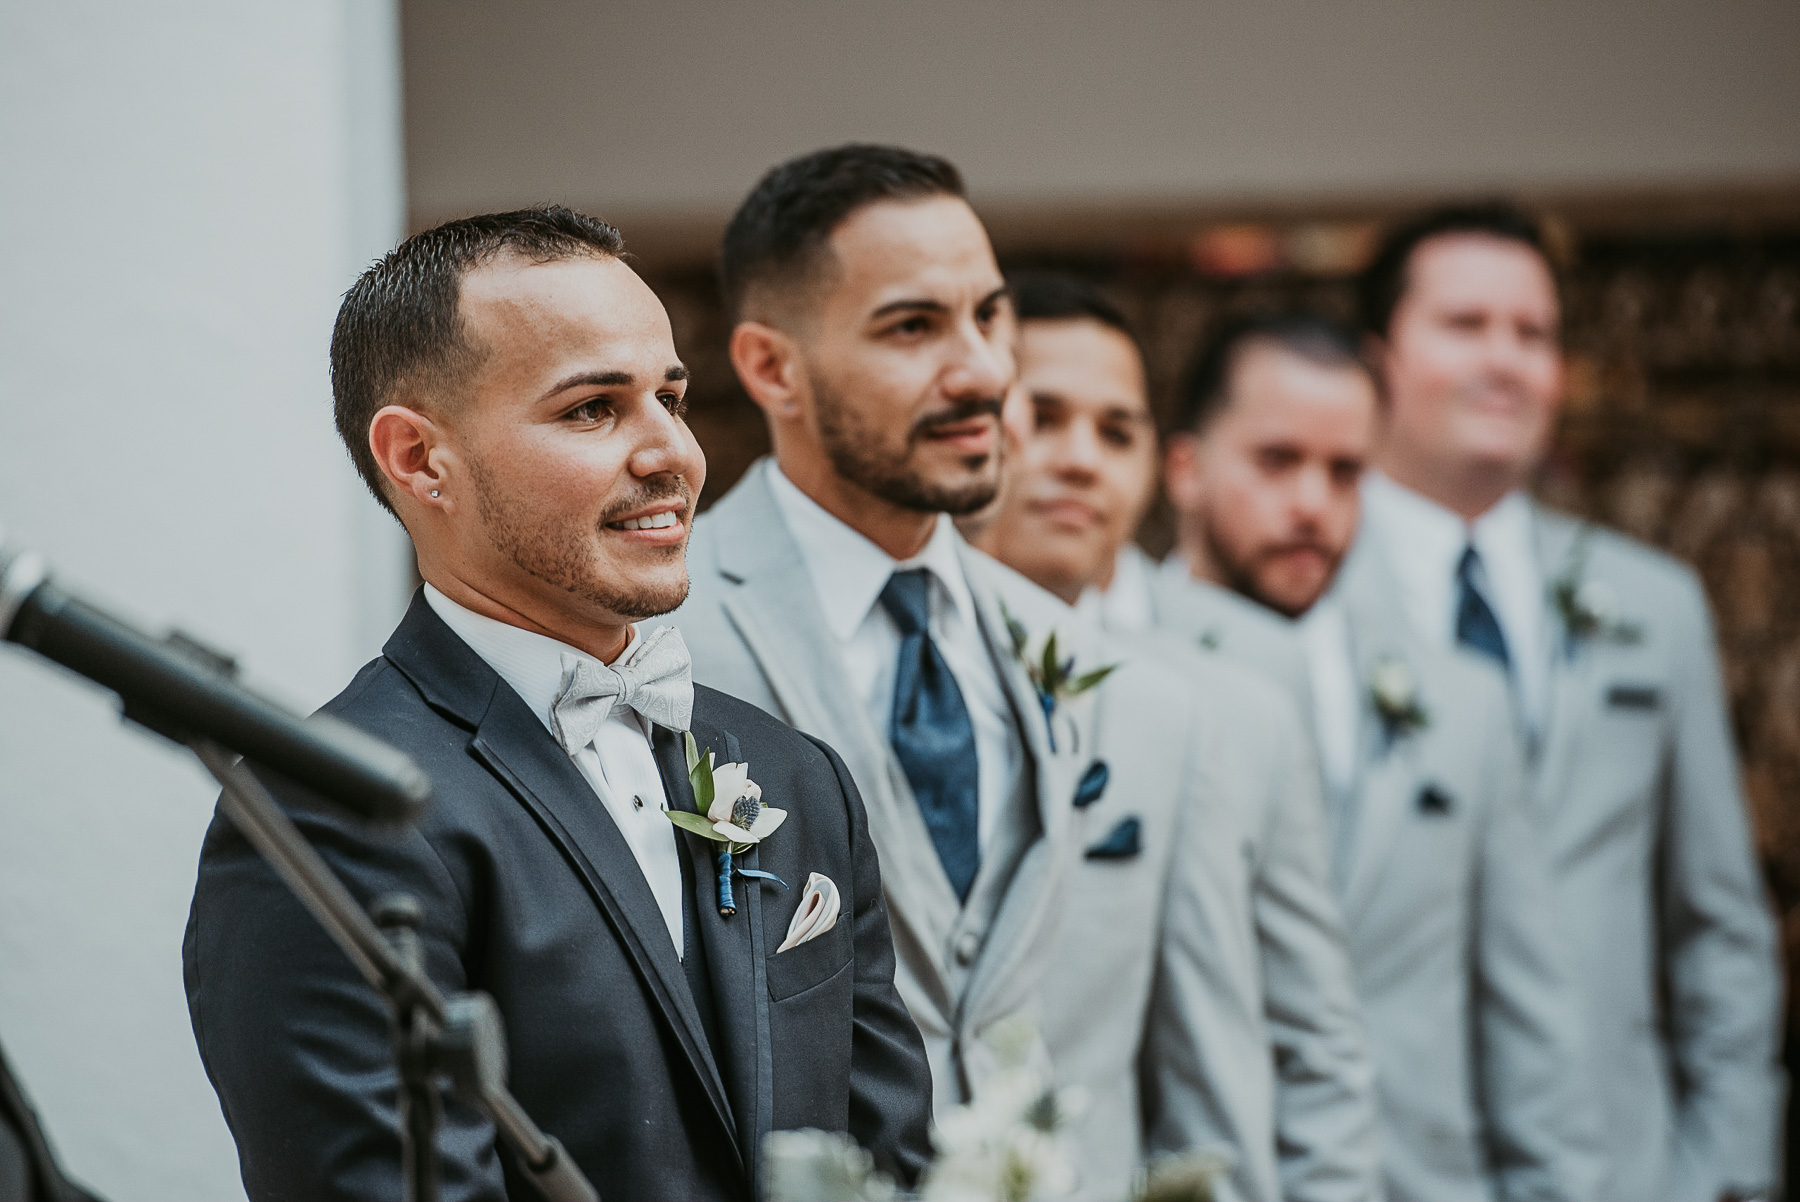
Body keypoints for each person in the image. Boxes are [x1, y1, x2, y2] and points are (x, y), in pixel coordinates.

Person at [182, 207, 934, 1202]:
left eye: (671, 395)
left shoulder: (796, 774)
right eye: (592, 408)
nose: (673, 452)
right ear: (419, 459)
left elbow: (895, 1161)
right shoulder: (330, 809)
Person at [669, 145, 1257, 1199]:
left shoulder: (1132, 691)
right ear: (771, 368)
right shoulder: (657, 650)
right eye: (912, 326)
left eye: (990, 317)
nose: (984, 372)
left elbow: (1211, 1083)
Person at [1354, 203, 1783, 1202]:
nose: (1504, 360)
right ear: (1379, 358)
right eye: (1465, 325)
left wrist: (1727, 1166)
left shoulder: (1654, 604)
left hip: (1626, 1166)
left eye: (1533, 333)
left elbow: (1720, 923)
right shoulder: (1307, 603)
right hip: (1380, 1164)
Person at [1160, 311, 1604, 1202]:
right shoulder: (1108, 676)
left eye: (1345, 471)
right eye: (1277, 461)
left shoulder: (1463, 704)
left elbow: (1529, 1016)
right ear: (1187, 469)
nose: (1313, 505)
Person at [966, 274, 1381, 1202]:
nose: (1082, 460)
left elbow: (1314, 1040)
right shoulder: (899, 672)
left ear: (1161, 461)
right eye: (1044, 414)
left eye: (1119, 431)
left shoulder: (1247, 699)